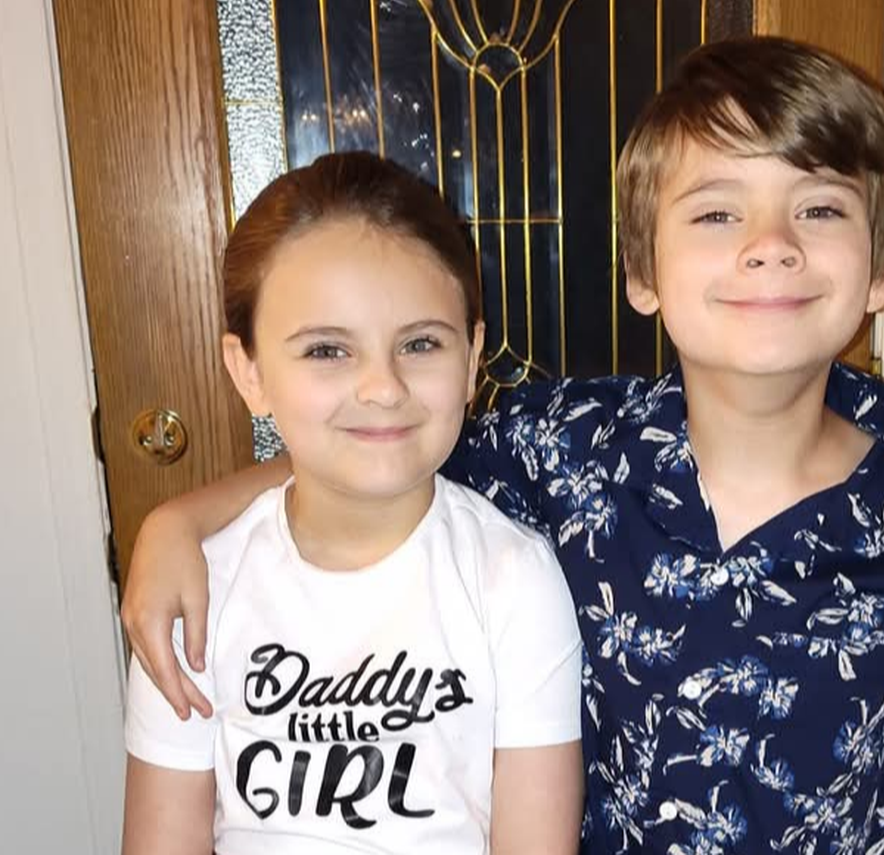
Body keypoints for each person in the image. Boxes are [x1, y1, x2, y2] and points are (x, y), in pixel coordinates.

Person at [122, 37, 884, 854]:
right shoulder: (565, 450)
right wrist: (180, 520)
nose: (770, 245)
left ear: (881, 267)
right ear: (643, 272)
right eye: (717, 214)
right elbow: (381, 447)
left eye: (820, 209)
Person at [120, 152, 584, 855]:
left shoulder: (513, 579)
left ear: (471, 359)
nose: (383, 387)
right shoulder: (196, 589)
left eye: (420, 343)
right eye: (327, 351)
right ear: (249, 371)